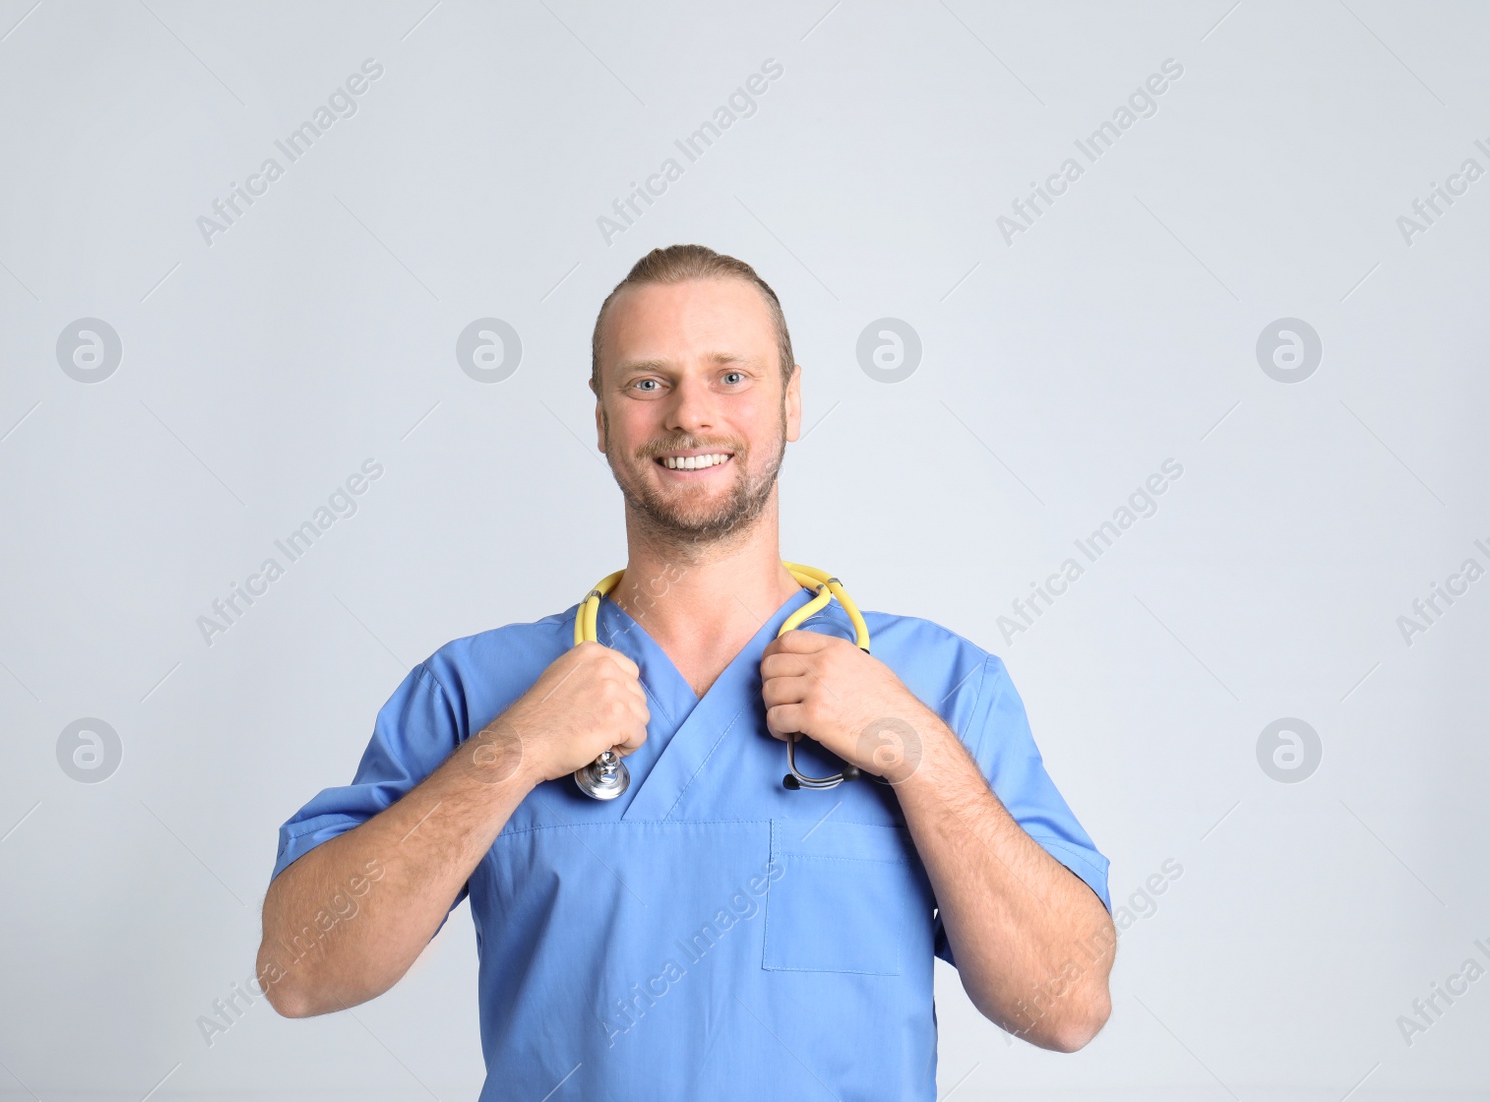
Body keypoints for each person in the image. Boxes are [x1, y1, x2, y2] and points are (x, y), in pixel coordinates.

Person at [256, 244, 1115, 1100]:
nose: (690, 415)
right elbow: (299, 971)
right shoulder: (476, 689)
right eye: (646, 383)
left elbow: (1068, 1004)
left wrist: (918, 753)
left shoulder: (941, 685)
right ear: (600, 421)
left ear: (793, 399)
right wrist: (512, 751)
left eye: (731, 377)